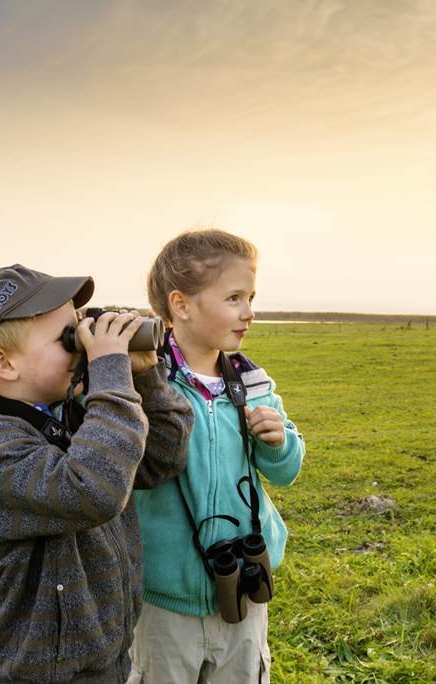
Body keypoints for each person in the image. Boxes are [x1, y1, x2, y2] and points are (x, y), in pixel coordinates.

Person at [0, 264, 193, 683]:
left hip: (106, 662)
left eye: (81, 328)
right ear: (3, 364)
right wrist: (108, 370)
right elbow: (95, 489)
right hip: (39, 674)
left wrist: (142, 376)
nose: (83, 347)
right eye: (68, 338)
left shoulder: (68, 417)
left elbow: (163, 457)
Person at [130, 230, 306, 683]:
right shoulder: (145, 386)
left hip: (245, 590)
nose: (248, 312)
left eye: (251, 297)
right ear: (181, 305)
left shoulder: (252, 382)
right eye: (233, 298)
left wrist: (278, 443)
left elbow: (285, 472)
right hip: (164, 600)